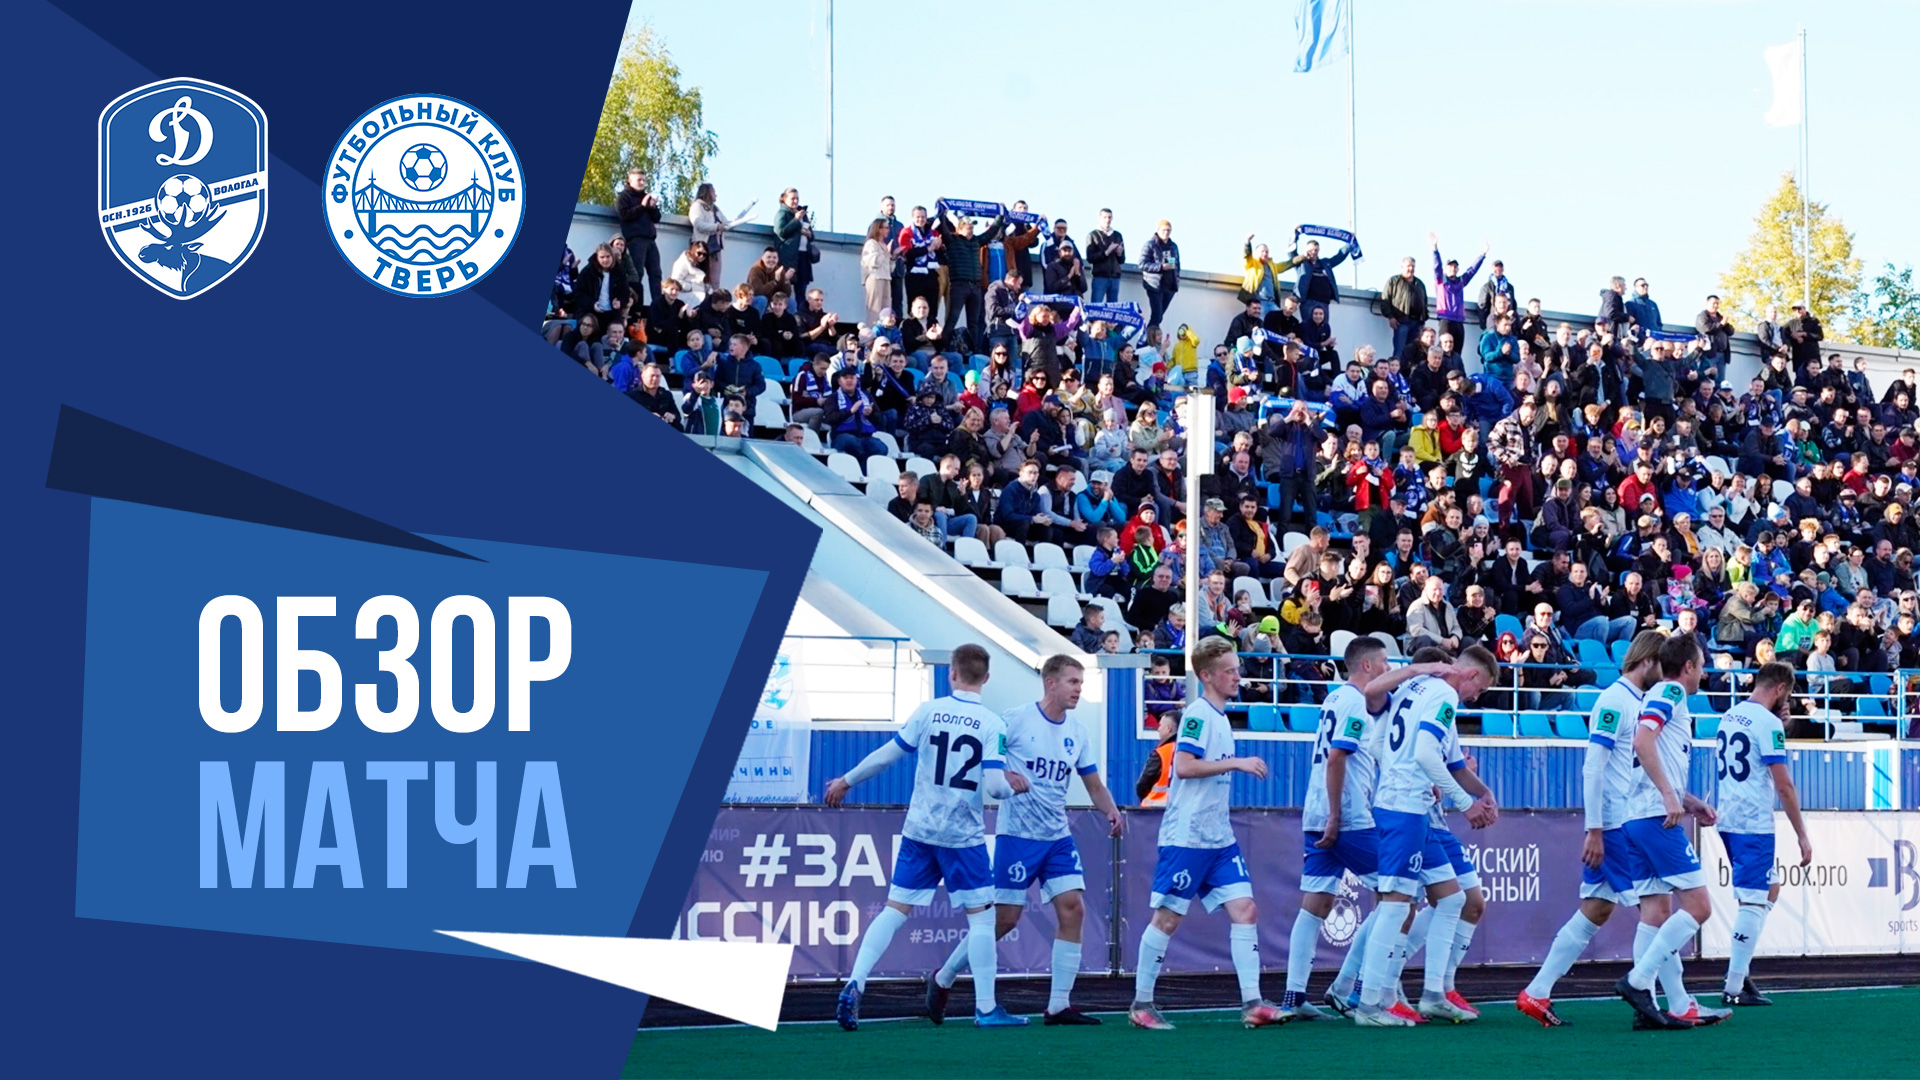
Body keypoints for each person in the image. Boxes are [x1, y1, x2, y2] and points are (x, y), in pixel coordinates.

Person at [825, 644, 1030, 1030]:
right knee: (982, 920)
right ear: (986, 678)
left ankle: (856, 982)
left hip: (920, 829)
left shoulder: (928, 711)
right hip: (963, 836)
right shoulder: (992, 724)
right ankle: (986, 1009)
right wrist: (1015, 787)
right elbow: (994, 787)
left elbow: (886, 756)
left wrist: (845, 781)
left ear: (952, 673)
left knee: (894, 910)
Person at [929, 656, 1124, 1025]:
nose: (1079, 689)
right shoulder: (1015, 720)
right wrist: (1003, 774)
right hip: (1017, 835)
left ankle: (1058, 1006)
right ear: (1050, 683)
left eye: (1081, 683)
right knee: (1005, 919)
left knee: (1073, 908)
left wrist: (1111, 810)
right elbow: (986, 759)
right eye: (1072, 682)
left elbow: (1094, 784)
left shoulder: (1078, 732)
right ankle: (944, 976)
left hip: (1057, 837)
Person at [1129, 637, 1283, 1030]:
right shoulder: (1198, 714)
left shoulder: (1220, 716)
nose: (1237, 677)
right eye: (1229, 671)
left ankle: (1253, 1003)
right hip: (1188, 836)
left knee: (1246, 910)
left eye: (1237, 669)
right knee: (1167, 919)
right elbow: (1183, 766)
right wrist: (1237, 763)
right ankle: (1141, 1004)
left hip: (1218, 837)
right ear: (1207, 676)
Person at [1516, 631, 1665, 1026]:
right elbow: (1593, 766)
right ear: (1648, 661)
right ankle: (1671, 1000)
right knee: (1656, 909)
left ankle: (1536, 992)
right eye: (1662, 664)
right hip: (1615, 823)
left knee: (1597, 909)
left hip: (1617, 819)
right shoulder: (1615, 701)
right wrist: (1595, 828)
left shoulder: (1635, 701)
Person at [1352, 647, 1500, 1026]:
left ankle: (1433, 993)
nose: (1476, 697)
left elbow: (1441, 759)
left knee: (1452, 898)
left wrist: (1483, 793)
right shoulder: (1444, 695)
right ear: (1470, 676)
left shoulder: (1415, 686)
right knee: (1395, 905)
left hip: (1410, 807)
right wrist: (1465, 803)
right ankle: (1368, 1002)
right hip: (1403, 807)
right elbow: (1425, 755)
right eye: (1480, 689)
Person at [1614, 635, 1733, 1029]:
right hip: (1654, 818)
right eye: (1701, 666)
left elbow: (1651, 752)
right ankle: (1638, 982)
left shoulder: (1657, 696)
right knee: (1699, 907)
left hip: (1636, 816)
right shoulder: (1671, 691)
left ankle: (1668, 1004)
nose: (1703, 673)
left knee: (1655, 913)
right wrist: (1669, 796)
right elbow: (1642, 740)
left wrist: (1688, 800)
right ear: (1688, 667)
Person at [1283, 635, 1390, 1021]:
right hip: (1347, 815)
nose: (1388, 670)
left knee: (1316, 904)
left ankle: (1294, 996)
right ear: (1367, 665)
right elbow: (1337, 758)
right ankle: (1354, 988)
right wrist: (1336, 815)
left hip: (1317, 811)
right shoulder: (1356, 702)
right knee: (1396, 893)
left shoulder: (1334, 698)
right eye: (1385, 663)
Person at [1714, 662, 1813, 1008]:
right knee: (1754, 900)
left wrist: (1778, 724)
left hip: (1728, 814)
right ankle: (1734, 985)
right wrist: (1802, 834)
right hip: (1753, 820)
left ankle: (1740, 969)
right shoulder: (1768, 723)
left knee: (1769, 888)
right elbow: (1784, 786)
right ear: (1781, 689)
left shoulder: (1731, 715)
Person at [614, 168, 663, 305]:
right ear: (630, 181)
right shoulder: (623, 197)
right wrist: (642, 206)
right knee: (637, 274)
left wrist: (652, 207)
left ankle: (657, 305)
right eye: (639, 180)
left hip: (650, 239)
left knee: (656, 274)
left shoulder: (646, 197)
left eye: (644, 180)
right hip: (635, 240)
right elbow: (624, 215)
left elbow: (657, 218)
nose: (642, 182)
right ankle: (636, 305)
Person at [1138, 220, 1180, 330]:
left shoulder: (1173, 246)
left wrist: (1176, 283)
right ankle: (1149, 337)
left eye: (1168, 230)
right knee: (1156, 315)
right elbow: (1142, 264)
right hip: (1155, 285)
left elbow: (1177, 265)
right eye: (1163, 230)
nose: (1166, 232)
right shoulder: (1150, 245)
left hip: (1169, 286)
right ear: (1158, 230)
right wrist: (1160, 267)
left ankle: (1150, 335)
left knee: (1159, 317)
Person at [859, 219, 894, 324]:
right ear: (879, 229)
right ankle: (872, 330)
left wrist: (893, 257)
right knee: (875, 308)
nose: (888, 230)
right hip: (875, 278)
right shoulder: (871, 244)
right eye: (886, 227)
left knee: (886, 309)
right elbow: (873, 262)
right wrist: (885, 252)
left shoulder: (884, 244)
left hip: (886, 278)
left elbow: (889, 268)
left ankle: (885, 330)